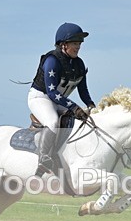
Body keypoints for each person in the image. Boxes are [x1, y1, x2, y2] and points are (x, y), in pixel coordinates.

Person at [28, 22, 97, 175]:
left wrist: (91, 106)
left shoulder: (79, 64)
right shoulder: (52, 60)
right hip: (40, 98)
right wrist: (74, 107)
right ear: (63, 44)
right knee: (52, 122)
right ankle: (44, 158)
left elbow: (83, 90)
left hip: (59, 101)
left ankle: (63, 154)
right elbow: (52, 93)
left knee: (81, 121)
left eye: (79, 43)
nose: (78, 46)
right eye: (74, 43)